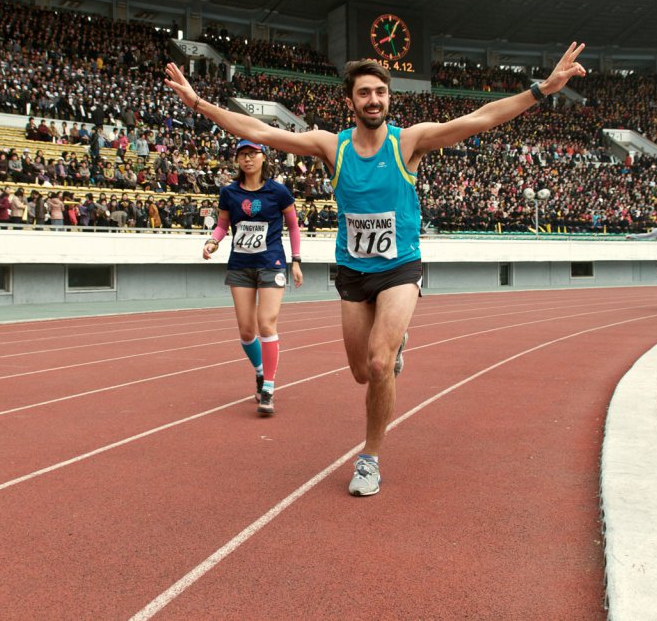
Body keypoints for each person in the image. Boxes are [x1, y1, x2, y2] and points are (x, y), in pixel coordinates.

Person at [165, 42, 587, 496]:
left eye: (381, 92)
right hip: (352, 270)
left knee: (380, 362)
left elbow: (480, 118)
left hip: (400, 266)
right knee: (360, 373)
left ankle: (369, 457)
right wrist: (196, 102)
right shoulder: (333, 146)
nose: (374, 100)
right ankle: (395, 340)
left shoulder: (409, 141)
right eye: (364, 93)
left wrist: (544, 89)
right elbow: (259, 131)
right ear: (350, 101)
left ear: (389, 98)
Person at [203, 139, 303, 415]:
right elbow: (223, 224)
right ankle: (260, 372)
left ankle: (268, 387)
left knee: (266, 324)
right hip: (240, 266)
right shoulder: (229, 192)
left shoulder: (278, 192)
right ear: (237, 160)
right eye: (242, 155)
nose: (247, 159)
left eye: (252, 154)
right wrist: (213, 241)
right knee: (247, 332)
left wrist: (296, 260)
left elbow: (293, 227)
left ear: (263, 158)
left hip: (271, 263)